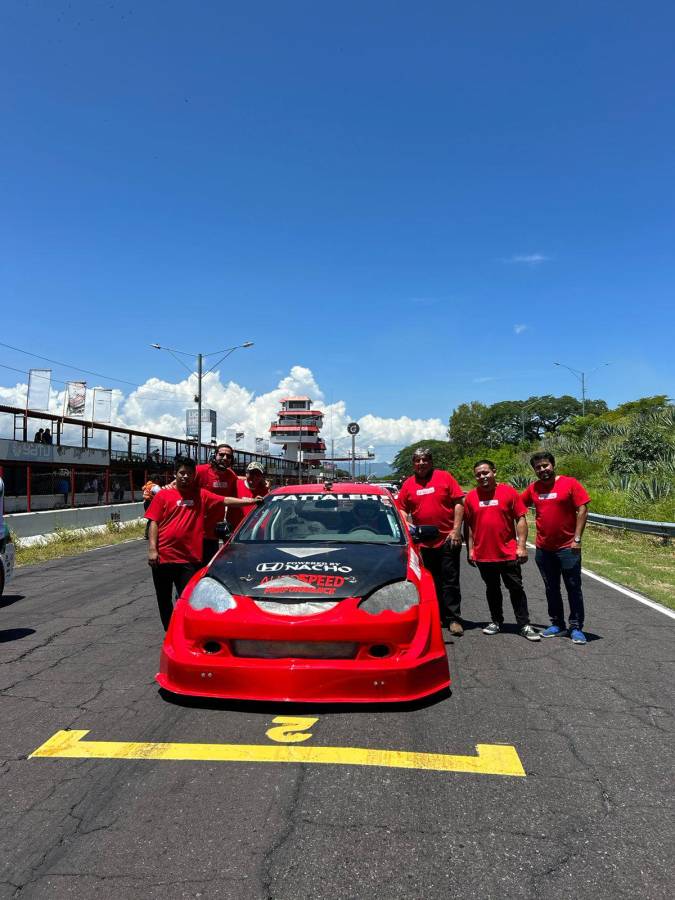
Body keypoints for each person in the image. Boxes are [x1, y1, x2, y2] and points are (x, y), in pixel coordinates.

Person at [145, 456, 227, 630]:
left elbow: (225, 500)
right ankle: (170, 631)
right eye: (182, 473)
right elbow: (154, 522)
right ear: (175, 474)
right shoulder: (163, 495)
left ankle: (185, 630)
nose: (185, 476)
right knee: (164, 598)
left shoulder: (201, 495)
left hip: (188, 560)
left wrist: (253, 501)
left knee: (188, 598)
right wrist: (152, 549)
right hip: (163, 558)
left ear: (194, 475)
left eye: (189, 473)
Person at [464, 460, 541, 641]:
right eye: (478, 474)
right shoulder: (471, 497)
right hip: (484, 554)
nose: (482, 477)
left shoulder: (508, 492)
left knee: (516, 588)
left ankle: (524, 624)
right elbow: (468, 526)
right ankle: (496, 621)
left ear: (494, 472)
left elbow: (520, 520)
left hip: (507, 553)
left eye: (485, 472)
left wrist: (521, 546)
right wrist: (470, 549)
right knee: (492, 589)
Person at [521, 451, 591, 645]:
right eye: (538, 467)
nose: (543, 470)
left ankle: (576, 627)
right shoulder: (533, 488)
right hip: (544, 549)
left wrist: (577, 539)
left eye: (545, 465)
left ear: (553, 465)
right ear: (534, 470)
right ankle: (557, 624)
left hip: (568, 547)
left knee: (573, 588)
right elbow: (517, 505)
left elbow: (583, 508)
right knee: (551, 588)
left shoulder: (570, 483)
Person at [396, 448, 465, 635]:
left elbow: (459, 503)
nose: (421, 463)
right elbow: (402, 509)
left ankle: (453, 619)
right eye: (417, 460)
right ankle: (433, 617)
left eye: (425, 460)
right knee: (429, 581)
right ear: (413, 464)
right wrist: (408, 529)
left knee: (450, 581)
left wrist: (456, 530)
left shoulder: (445, 477)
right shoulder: (409, 484)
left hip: (447, 539)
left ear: (431, 462)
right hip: (422, 543)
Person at [194, 444, 255, 564]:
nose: (225, 458)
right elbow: (181, 482)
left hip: (212, 533)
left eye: (228, 456)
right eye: (221, 454)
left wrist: (261, 480)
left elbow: (240, 480)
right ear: (214, 455)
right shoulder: (200, 471)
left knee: (208, 567)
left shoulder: (230, 475)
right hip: (194, 530)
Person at [229, 462, 271, 531]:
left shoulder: (264, 491)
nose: (254, 477)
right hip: (235, 531)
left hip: (255, 531)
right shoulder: (235, 484)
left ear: (262, 477)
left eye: (258, 474)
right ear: (246, 474)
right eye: (251, 473)